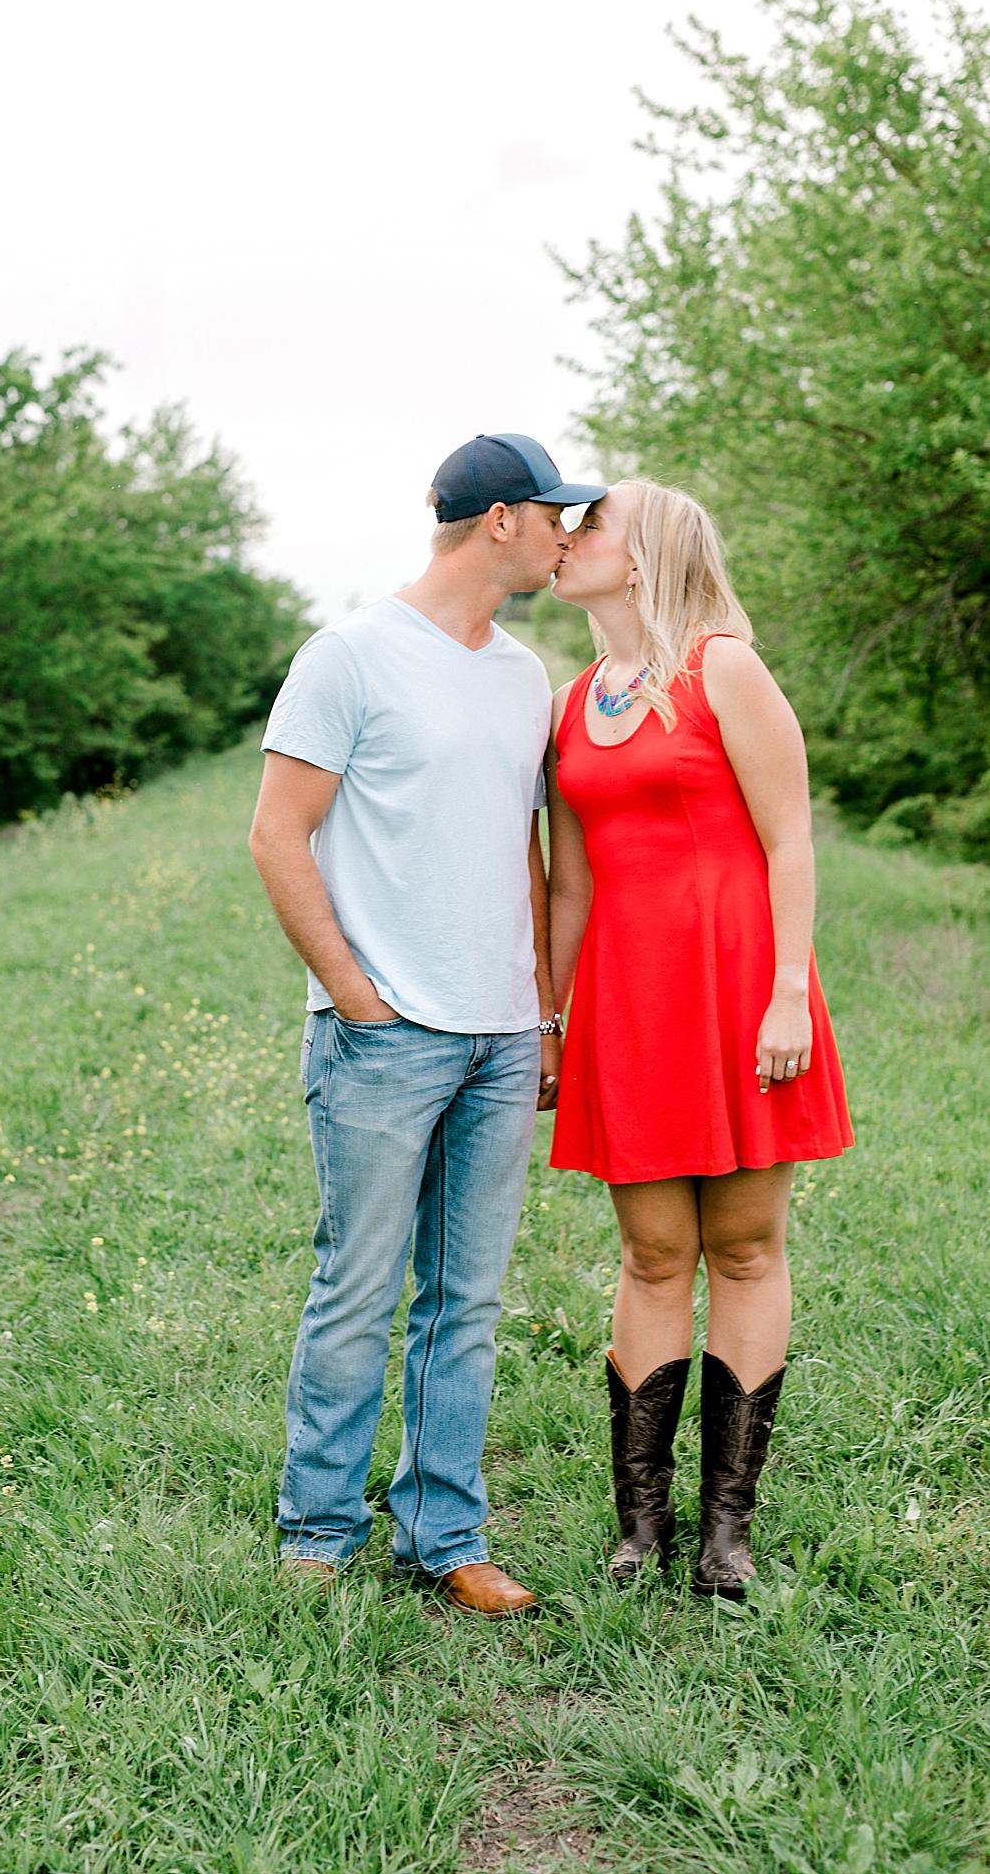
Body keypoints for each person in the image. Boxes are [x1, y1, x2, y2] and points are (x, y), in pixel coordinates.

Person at [249, 434, 606, 1616]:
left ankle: (444, 1534)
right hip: (384, 1035)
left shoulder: (521, 676)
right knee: (358, 1285)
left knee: (469, 1299)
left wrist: (543, 1014)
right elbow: (276, 834)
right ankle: (318, 1528)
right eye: (556, 514)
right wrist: (357, 994)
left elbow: (532, 851)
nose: (569, 534)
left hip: (503, 1037)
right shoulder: (349, 655)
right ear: (500, 520)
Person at [545, 478, 854, 1599]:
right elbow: (568, 883)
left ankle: (728, 1528)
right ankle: (641, 1523)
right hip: (630, 1003)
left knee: (747, 1245)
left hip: (739, 990)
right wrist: (551, 1013)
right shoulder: (571, 702)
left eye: (592, 525)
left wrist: (785, 993)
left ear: (645, 555)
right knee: (652, 1251)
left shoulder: (724, 664)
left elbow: (790, 842)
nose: (567, 540)